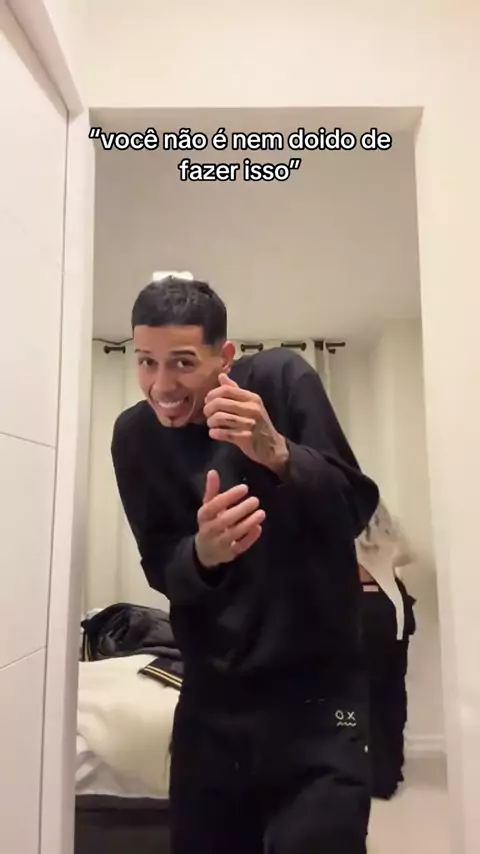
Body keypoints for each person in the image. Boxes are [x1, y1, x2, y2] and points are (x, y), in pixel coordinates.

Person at [111, 275, 379, 854]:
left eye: (183, 362)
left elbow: (355, 509)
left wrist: (280, 455)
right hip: (212, 705)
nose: (162, 385)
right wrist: (202, 554)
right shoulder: (133, 437)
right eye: (146, 362)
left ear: (225, 356)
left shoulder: (281, 380)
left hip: (318, 698)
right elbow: (161, 566)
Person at [355, 500, 416, 799]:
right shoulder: (388, 529)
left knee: (358, 694)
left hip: (359, 608)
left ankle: (365, 771)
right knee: (391, 692)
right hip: (392, 608)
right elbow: (409, 554)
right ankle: (387, 771)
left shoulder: (338, 522)